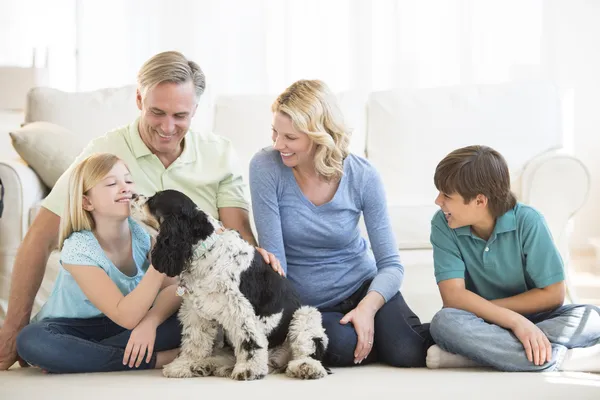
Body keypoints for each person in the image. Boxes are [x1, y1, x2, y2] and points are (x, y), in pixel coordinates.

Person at [0, 51, 280, 370]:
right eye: (157, 112)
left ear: (195, 110)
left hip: (171, 307)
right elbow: (40, 237)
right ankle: (144, 358)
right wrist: (11, 329)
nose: (167, 127)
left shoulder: (219, 154)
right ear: (138, 99)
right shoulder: (104, 155)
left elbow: (235, 237)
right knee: (35, 340)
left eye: (180, 116)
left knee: (195, 317)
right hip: (101, 318)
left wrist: (256, 254)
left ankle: (85, 356)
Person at [249, 80, 432, 368]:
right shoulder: (265, 167)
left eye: (290, 137)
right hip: (312, 306)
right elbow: (276, 268)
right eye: (275, 133)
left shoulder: (363, 176)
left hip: (363, 287)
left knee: (408, 353)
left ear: (319, 136)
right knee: (341, 347)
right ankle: (380, 338)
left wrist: (367, 309)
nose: (278, 144)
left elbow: (391, 264)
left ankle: (421, 334)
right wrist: (291, 323)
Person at [426, 145, 600, 372]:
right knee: (444, 323)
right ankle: (558, 359)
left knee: (592, 318)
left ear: (480, 201)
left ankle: (478, 353)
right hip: (480, 320)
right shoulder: (443, 224)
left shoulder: (529, 221)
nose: (438, 201)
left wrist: (512, 319)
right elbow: (453, 296)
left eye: (447, 195)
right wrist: (514, 322)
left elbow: (553, 294)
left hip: (532, 318)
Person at [16, 153, 181, 373]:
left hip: (123, 329)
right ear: (87, 201)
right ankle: (151, 359)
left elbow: (175, 289)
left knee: (189, 316)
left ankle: (79, 358)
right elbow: (126, 315)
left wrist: (150, 323)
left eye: (128, 181)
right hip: (74, 328)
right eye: (112, 183)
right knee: (31, 341)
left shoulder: (142, 236)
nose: (125, 188)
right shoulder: (79, 248)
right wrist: (161, 261)